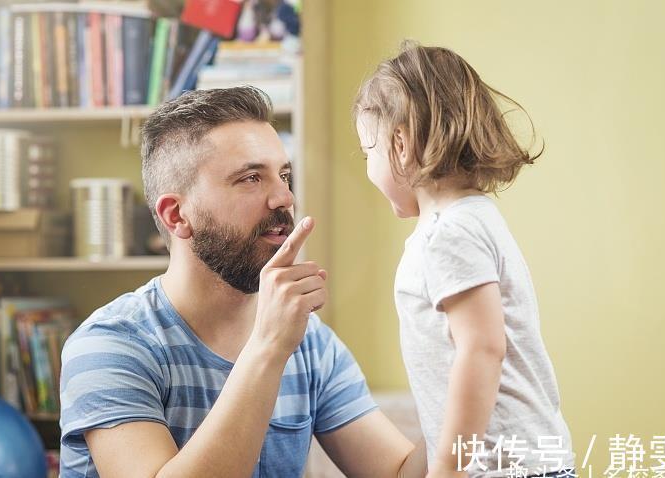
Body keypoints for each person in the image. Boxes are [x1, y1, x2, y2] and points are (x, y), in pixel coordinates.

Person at [59, 86, 426, 478]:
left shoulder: (311, 344)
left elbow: (400, 472)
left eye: (284, 175)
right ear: (176, 215)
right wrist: (268, 346)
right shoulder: (109, 345)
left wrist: (472, 381)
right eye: (251, 178)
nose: (284, 198)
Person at [353, 42, 577, 478]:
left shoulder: (446, 235)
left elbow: (482, 348)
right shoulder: (475, 218)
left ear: (400, 144)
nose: (367, 168)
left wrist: (448, 466)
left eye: (368, 152)